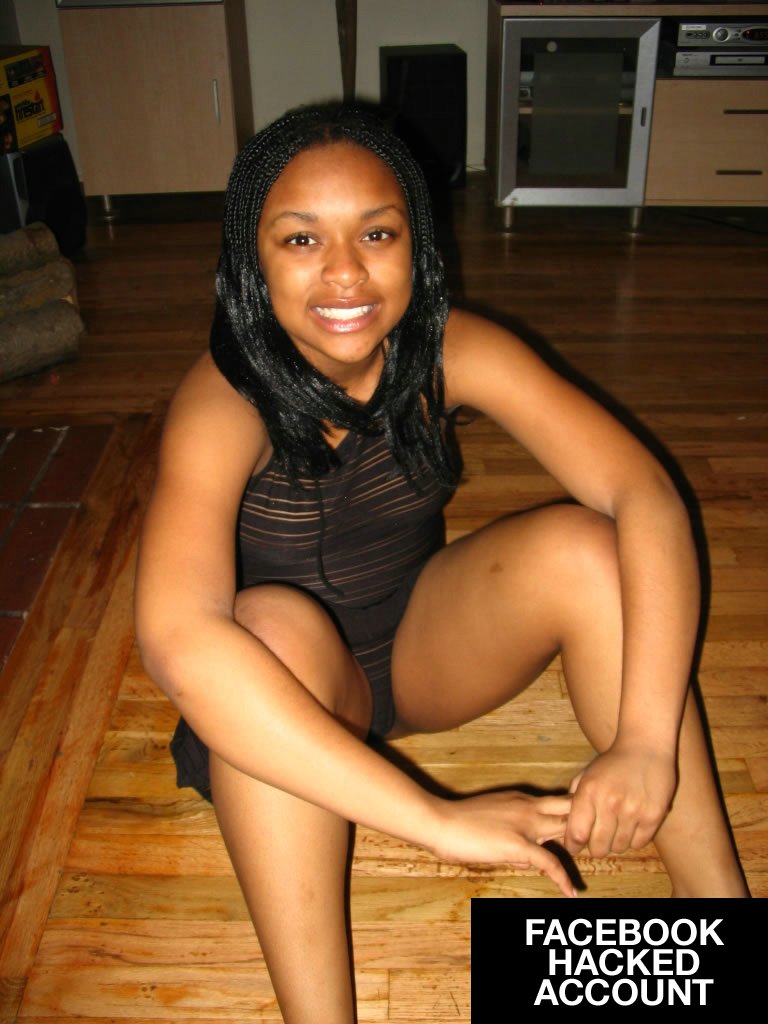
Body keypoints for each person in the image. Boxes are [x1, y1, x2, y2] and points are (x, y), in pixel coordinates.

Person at [134, 103, 748, 1024]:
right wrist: (435, 819)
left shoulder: (447, 347)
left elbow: (644, 494)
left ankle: (720, 916)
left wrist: (647, 740)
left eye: (376, 233)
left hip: (422, 649)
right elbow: (179, 641)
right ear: (250, 267)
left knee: (589, 549)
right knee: (264, 630)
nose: (346, 271)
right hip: (291, 696)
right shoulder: (221, 403)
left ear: (416, 247)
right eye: (301, 239)